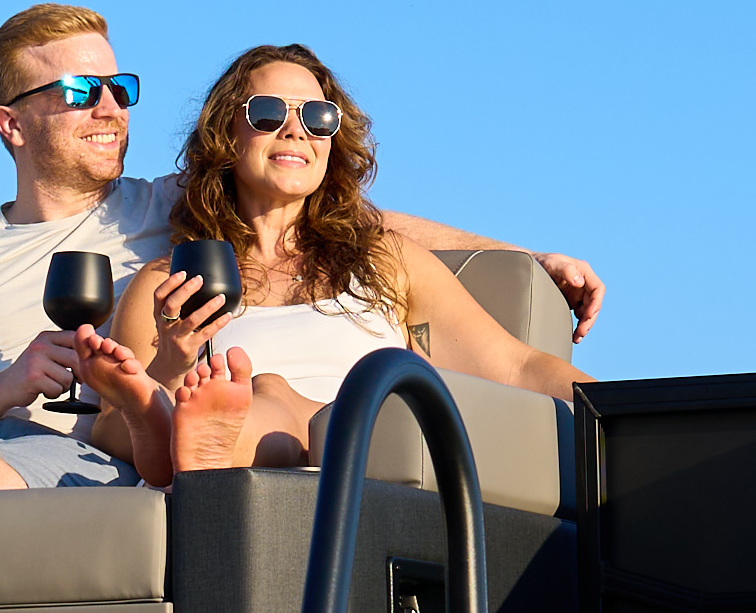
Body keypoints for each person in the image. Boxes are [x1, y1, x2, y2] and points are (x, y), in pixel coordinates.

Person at [0, 3, 606, 493]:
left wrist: (528, 258)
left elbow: (356, 217)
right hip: (27, 434)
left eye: (121, 87)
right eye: (83, 90)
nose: (112, 105)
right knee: (207, 398)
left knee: (226, 402)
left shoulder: (165, 214)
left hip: (106, 449)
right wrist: (6, 384)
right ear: (11, 123)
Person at [77, 43, 585, 482]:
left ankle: (232, 442)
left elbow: (516, 367)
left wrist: (632, 408)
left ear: (332, 143)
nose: (296, 131)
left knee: (281, 395)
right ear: (227, 134)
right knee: (252, 392)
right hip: (251, 470)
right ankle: (200, 440)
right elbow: (106, 432)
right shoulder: (170, 281)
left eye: (318, 119)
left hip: (373, 445)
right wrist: (172, 364)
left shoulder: (385, 259)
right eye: (269, 114)